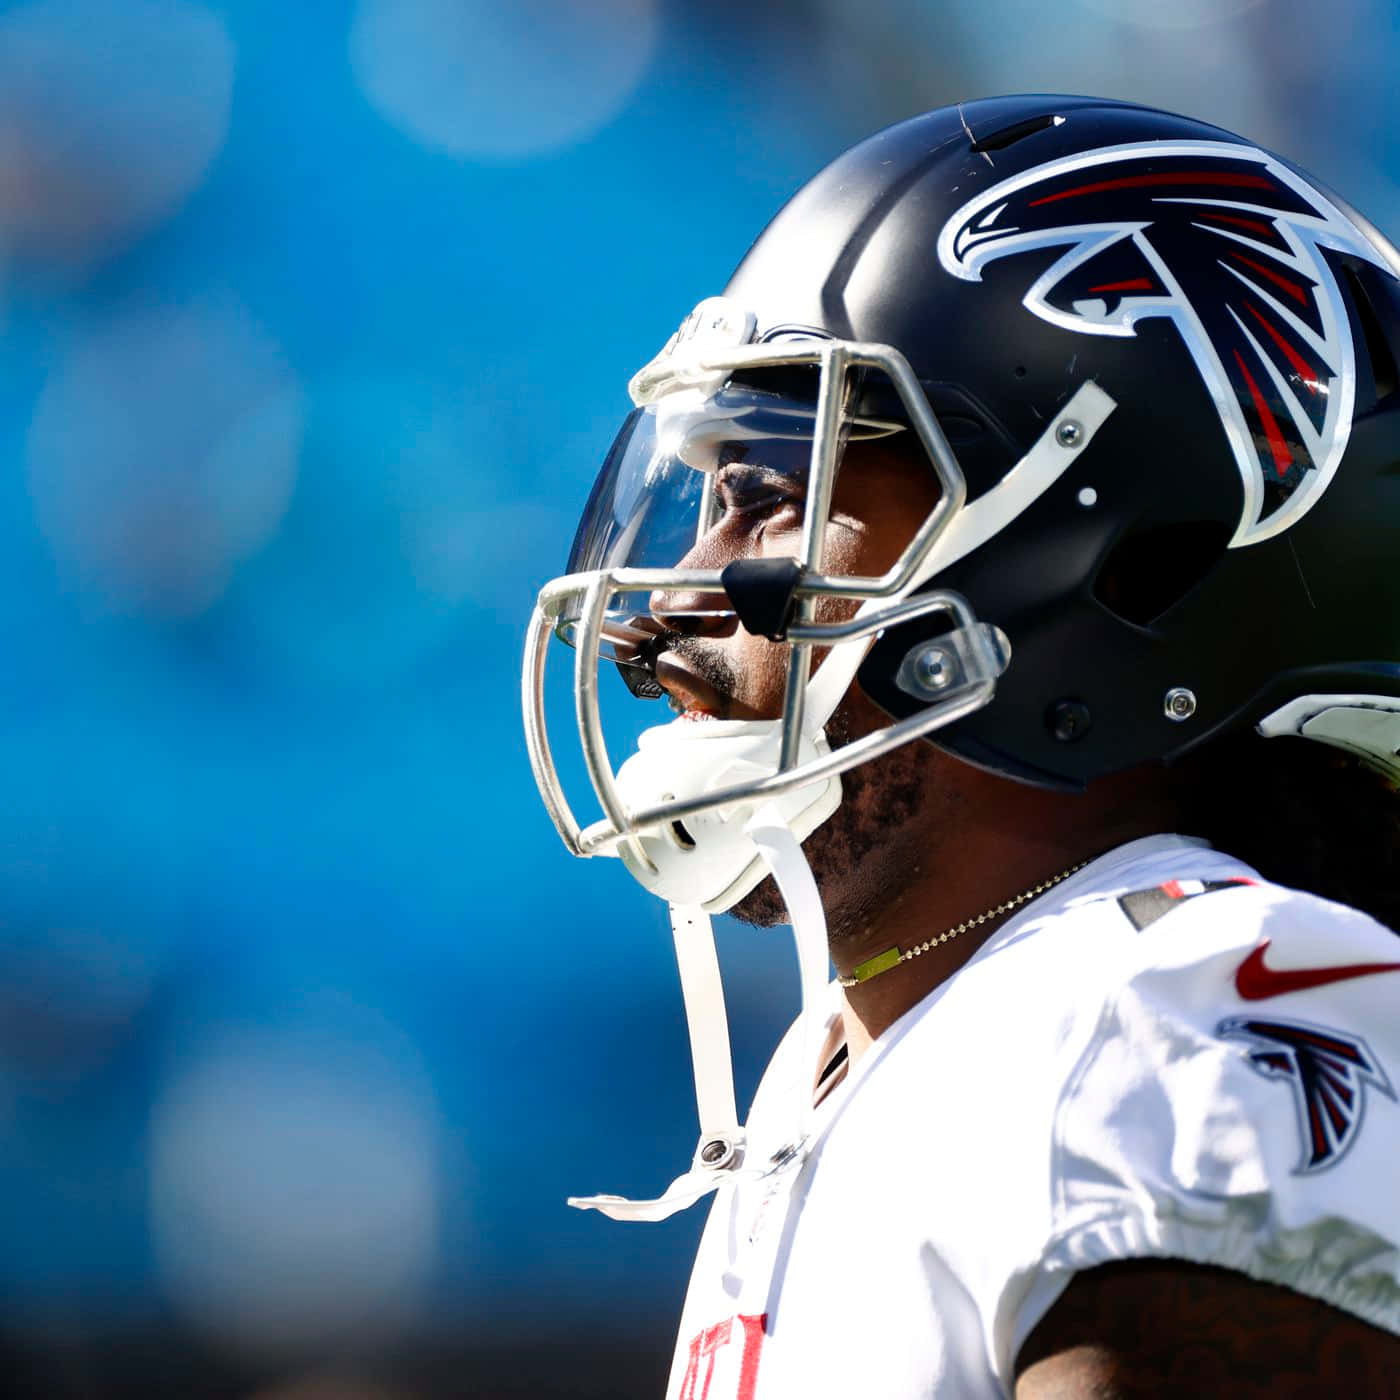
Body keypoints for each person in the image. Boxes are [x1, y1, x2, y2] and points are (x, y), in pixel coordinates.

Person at [521, 95, 1400, 1397]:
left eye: (770, 498)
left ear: (1114, 568)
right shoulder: (871, 1047)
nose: (672, 602)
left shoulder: (1172, 1011)